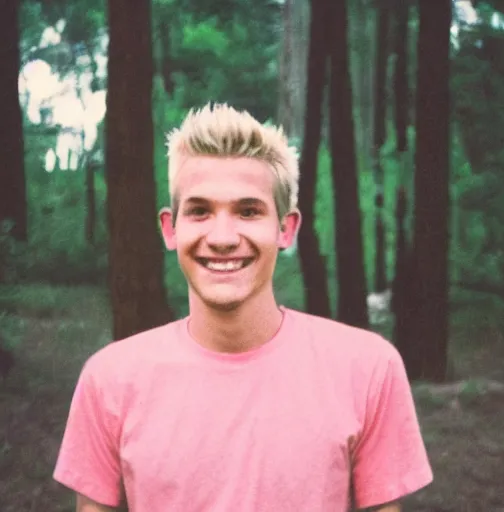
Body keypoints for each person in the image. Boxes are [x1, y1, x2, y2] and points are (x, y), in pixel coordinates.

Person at [53, 103, 433, 512]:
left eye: (248, 211)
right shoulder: (109, 380)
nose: (222, 237)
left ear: (285, 229)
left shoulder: (368, 368)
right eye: (199, 211)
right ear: (170, 228)